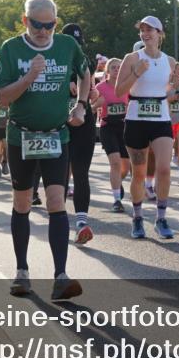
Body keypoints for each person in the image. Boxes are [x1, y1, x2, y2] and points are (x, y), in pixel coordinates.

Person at [0, 0, 89, 300]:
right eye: (37, 24)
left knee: (56, 201)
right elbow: (1, 99)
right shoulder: (11, 48)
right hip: (22, 136)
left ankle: (60, 276)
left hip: (57, 134)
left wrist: (80, 106)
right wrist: (30, 76)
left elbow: (86, 74)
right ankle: (21, 272)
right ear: (25, 21)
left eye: (49, 25)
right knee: (22, 204)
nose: (43, 31)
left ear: (55, 23)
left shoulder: (67, 46)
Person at [115, 17, 179, 240]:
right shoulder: (132, 58)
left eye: (149, 30)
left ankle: (161, 218)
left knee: (164, 169)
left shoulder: (169, 61)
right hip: (136, 120)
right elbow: (118, 91)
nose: (145, 34)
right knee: (139, 173)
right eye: (142, 30)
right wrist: (136, 73)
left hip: (161, 119)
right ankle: (137, 217)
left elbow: (168, 93)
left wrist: (176, 84)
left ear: (160, 33)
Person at [60, 23, 98, 245]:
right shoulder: (51, 59)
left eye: (77, 42)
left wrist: (86, 92)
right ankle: (60, 219)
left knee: (81, 171)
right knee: (61, 171)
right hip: (58, 120)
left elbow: (88, 78)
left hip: (84, 119)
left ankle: (82, 222)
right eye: (70, 41)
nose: (74, 46)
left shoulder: (85, 59)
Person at [93, 57, 130, 212]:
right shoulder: (100, 87)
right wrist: (97, 104)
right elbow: (91, 107)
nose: (116, 70)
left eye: (119, 67)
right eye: (113, 67)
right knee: (115, 162)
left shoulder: (128, 86)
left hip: (125, 127)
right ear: (107, 71)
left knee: (125, 167)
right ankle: (116, 200)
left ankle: (117, 183)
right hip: (107, 127)